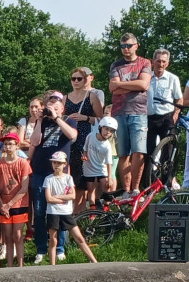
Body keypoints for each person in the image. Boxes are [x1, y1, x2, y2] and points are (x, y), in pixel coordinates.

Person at [30, 91, 77, 264]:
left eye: (56, 106)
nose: (52, 109)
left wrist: (57, 118)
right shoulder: (41, 122)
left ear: (62, 108)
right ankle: (41, 248)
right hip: (40, 171)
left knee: (60, 212)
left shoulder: (68, 121)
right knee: (40, 212)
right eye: (50, 106)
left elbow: (72, 136)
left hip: (59, 175)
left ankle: (59, 248)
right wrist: (41, 120)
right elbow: (34, 142)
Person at [108, 33, 153, 198]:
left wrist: (121, 85)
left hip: (139, 112)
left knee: (139, 151)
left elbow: (144, 84)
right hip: (119, 113)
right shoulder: (116, 65)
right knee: (122, 154)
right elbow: (113, 88)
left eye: (129, 45)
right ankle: (126, 190)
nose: (125, 49)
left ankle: (135, 189)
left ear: (136, 46)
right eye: (122, 46)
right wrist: (133, 86)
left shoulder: (145, 62)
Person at [43, 152, 97, 265]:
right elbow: (48, 198)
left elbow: (72, 196)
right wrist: (62, 199)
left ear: (64, 164)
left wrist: (56, 197)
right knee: (53, 240)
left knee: (79, 238)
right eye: (54, 163)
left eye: (59, 163)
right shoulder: (48, 179)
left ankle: (94, 261)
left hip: (66, 213)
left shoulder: (68, 178)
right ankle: (52, 265)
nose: (56, 165)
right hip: (53, 212)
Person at [64, 67, 104, 210]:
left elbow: (101, 119)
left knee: (82, 180)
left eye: (79, 78)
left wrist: (85, 118)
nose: (75, 81)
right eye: (73, 78)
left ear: (85, 80)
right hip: (69, 140)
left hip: (85, 140)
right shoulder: (65, 98)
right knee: (70, 177)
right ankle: (71, 214)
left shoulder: (91, 96)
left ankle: (80, 214)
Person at [0, 133, 32, 268]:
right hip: (3, 203)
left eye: (11, 144)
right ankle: (9, 266)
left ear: (17, 146)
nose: (8, 147)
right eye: (5, 144)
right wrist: (2, 205)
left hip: (19, 203)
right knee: (7, 237)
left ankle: (20, 265)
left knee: (18, 235)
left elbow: (24, 188)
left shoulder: (23, 163)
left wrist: (9, 204)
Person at [146, 49, 183, 186]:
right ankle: (149, 183)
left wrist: (176, 114)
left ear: (167, 63)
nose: (160, 64)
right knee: (148, 150)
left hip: (167, 117)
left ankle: (167, 183)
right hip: (149, 117)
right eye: (158, 61)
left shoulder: (173, 78)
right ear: (153, 61)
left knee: (167, 151)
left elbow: (179, 99)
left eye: (163, 61)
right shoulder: (147, 77)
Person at [83, 116, 118, 209]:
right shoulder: (90, 136)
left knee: (106, 187)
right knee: (90, 189)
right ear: (100, 127)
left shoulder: (107, 146)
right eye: (106, 129)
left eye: (111, 131)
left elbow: (108, 163)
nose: (108, 132)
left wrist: (109, 178)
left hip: (101, 169)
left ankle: (106, 207)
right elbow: (85, 148)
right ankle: (92, 209)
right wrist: (85, 155)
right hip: (89, 167)